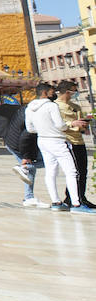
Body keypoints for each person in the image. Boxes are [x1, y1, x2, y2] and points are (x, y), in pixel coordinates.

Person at [25, 83, 96, 214]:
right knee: (72, 172)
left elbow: (30, 128)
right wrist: (67, 126)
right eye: (52, 91)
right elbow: (60, 126)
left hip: (43, 140)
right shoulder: (52, 106)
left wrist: (44, 129)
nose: (54, 93)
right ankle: (76, 204)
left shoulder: (29, 107)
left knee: (51, 172)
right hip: (57, 140)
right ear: (45, 93)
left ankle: (56, 202)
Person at [56, 81, 94, 209]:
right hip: (68, 141)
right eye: (73, 91)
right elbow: (57, 125)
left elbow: (79, 122)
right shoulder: (55, 107)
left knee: (82, 171)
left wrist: (83, 125)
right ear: (67, 91)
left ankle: (80, 197)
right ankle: (72, 199)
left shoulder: (75, 106)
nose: (75, 93)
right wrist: (72, 124)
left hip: (79, 141)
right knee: (74, 172)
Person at [2, 101, 43, 207]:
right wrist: (26, 156)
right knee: (49, 161)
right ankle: (28, 196)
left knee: (31, 169)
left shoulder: (28, 109)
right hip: (17, 145)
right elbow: (26, 136)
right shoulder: (33, 115)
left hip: (13, 141)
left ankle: (28, 197)